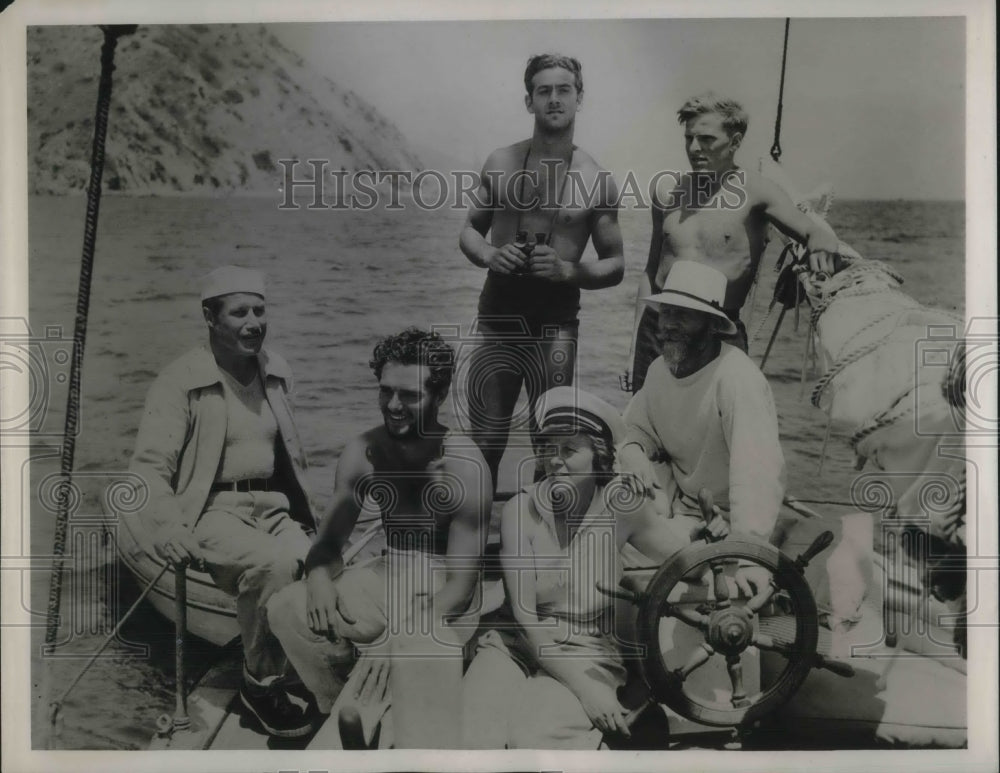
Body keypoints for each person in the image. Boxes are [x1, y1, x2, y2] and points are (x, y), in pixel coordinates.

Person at [267, 327, 492, 749]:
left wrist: (396, 638)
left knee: (409, 654)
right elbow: (330, 546)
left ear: (439, 395)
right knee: (286, 608)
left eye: (409, 395)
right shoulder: (363, 452)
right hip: (388, 572)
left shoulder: (465, 465)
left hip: (444, 597)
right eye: (385, 391)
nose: (393, 406)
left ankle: (366, 722)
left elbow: (461, 589)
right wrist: (317, 579)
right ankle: (336, 705)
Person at [129, 265, 317, 738]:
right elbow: (149, 469)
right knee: (274, 566)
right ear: (210, 318)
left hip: (273, 507)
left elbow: (291, 458)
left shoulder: (276, 370)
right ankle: (260, 687)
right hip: (211, 511)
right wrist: (168, 529)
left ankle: (304, 666)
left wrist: (316, 522)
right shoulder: (180, 382)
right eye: (240, 313)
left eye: (260, 310)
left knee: (315, 563)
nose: (254, 322)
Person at [462, 387, 685, 749]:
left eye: (569, 449)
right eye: (548, 447)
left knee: (533, 737)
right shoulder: (521, 511)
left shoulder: (623, 508)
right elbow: (524, 618)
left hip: (586, 647)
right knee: (472, 736)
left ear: (598, 457)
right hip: (513, 644)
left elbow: (685, 562)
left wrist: (717, 539)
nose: (554, 460)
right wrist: (587, 692)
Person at [459, 53, 625, 489]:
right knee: (486, 439)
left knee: (552, 439)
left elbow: (616, 265)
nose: (554, 99)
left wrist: (568, 270)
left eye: (563, 90)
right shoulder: (500, 162)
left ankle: (544, 544)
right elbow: (470, 232)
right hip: (499, 317)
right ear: (529, 100)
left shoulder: (596, 178)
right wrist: (491, 256)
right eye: (544, 91)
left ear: (579, 98)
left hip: (556, 325)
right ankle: (472, 547)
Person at [627, 92, 845, 391]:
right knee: (647, 426)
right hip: (658, 328)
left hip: (718, 330)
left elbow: (813, 231)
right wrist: (632, 353)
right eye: (688, 138)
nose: (694, 148)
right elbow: (651, 272)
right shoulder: (667, 192)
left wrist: (821, 245)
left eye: (706, 139)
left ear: (735, 141)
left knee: (719, 428)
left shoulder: (758, 192)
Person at [618, 260, 786, 595]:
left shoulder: (737, 379)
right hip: (677, 510)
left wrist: (748, 556)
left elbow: (758, 474)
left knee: (616, 540)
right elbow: (632, 429)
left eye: (683, 315)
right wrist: (633, 452)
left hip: (725, 525)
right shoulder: (658, 370)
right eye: (666, 313)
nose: (668, 325)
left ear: (711, 325)